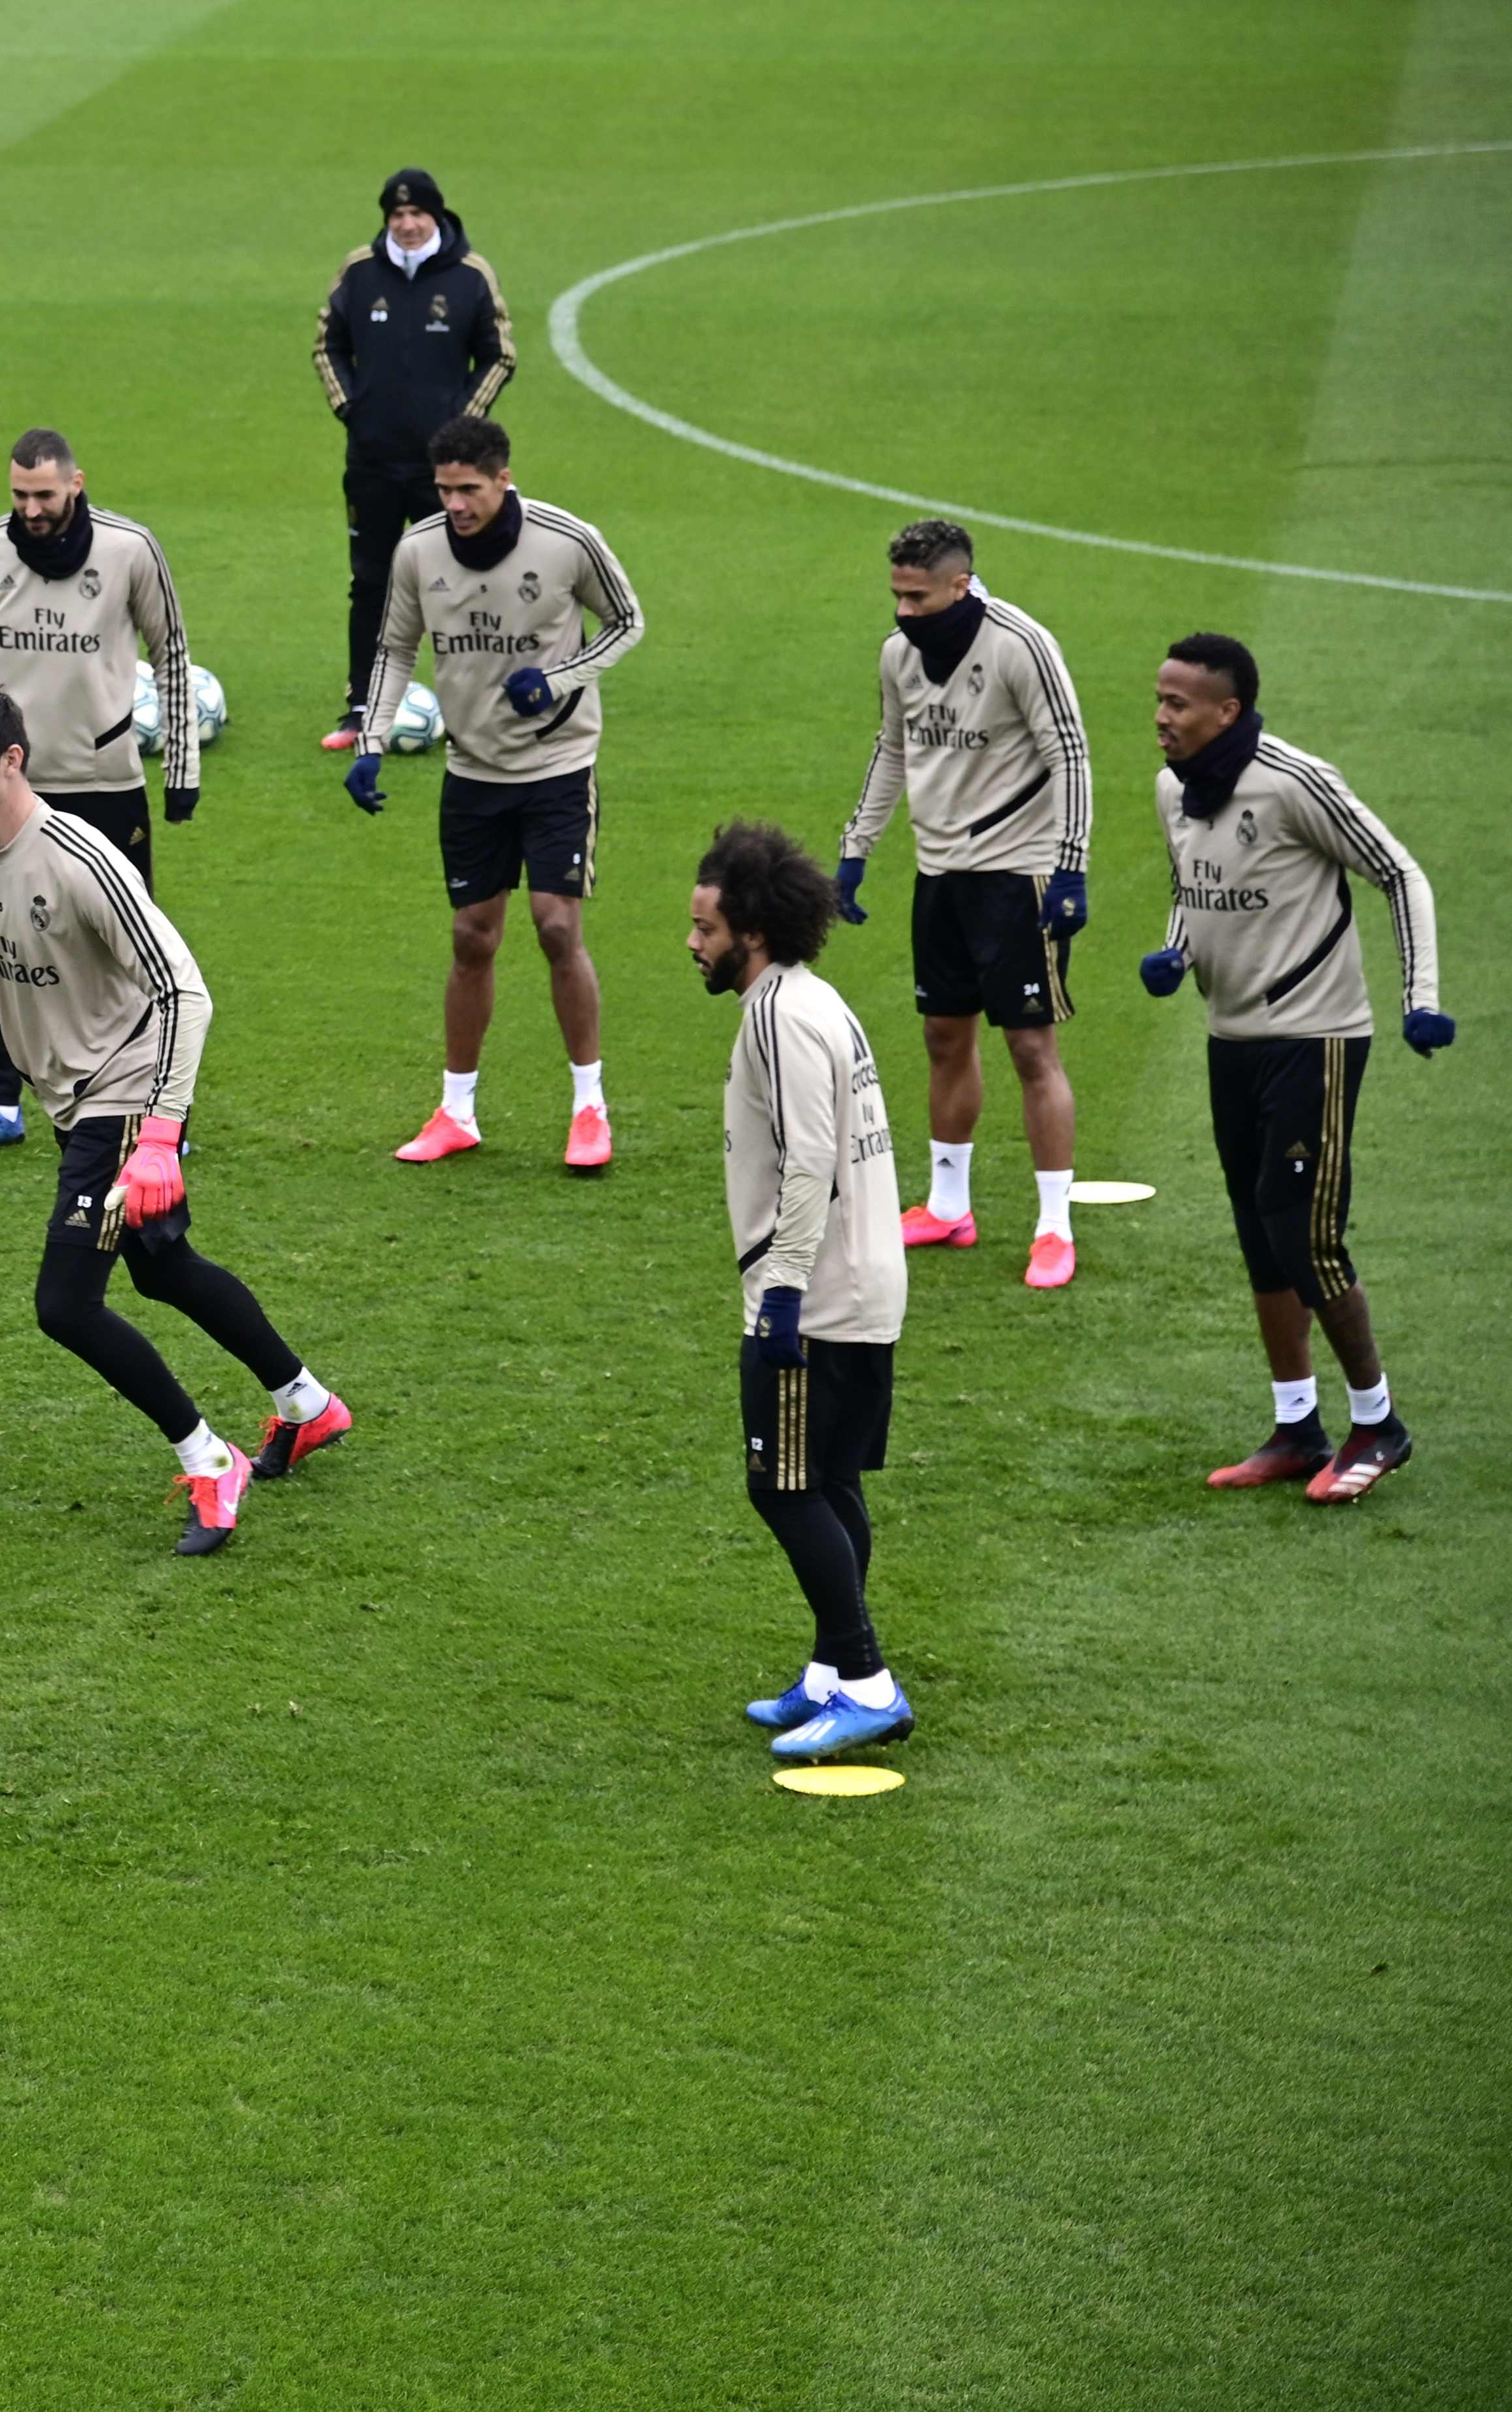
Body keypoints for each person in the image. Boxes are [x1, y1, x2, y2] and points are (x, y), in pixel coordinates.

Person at [0, 688, 348, 1554]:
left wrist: (159, 1136)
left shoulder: (78, 861)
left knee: (65, 1305)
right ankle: (306, 1404)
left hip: (125, 1098)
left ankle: (210, 1463)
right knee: (163, 1267)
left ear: (11, 761)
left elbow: (185, 991)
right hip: (74, 1100)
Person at [1140, 633, 1447, 1502]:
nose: (1159, 716)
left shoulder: (1291, 781)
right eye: (1157, 699)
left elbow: (1398, 873)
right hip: (1228, 1036)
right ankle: (1293, 1427)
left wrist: (1417, 998)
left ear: (1225, 712)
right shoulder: (1174, 786)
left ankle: (1376, 1422)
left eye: (1177, 704)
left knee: (1301, 1232)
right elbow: (1192, 880)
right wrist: (1172, 950)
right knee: (1255, 1232)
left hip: (1313, 1037)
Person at [350, 415, 644, 1169]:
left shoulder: (564, 541)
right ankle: (456, 1112)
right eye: (444, 489)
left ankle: (588, 1108)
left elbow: (625, 623)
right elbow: (393, 648)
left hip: (556, 767)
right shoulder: (419, 550)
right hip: (471, 772)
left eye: (469, 490)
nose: (455, 504)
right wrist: (372, 741)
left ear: (502, 478)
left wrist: (556, 680)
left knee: (554, 928)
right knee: (471, 937)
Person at [686, 820, 914, 1764]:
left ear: (752, 930)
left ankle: (865, 1682)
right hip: (864, 1281)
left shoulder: (774, 1017)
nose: (692, 943)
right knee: (827, 1478)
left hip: (811, 1297)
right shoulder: (815, 998)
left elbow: (807, 1161)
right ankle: (828, 1670)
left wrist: (776, 1293)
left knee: (780, 1489)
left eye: (704, 928)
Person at [833, 521, 1097, 1287]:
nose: (903, 611)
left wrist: (1070, 869)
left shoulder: (1019, 645)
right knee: (944, 1037)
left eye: (917, 596)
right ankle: (949, 1206)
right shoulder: (898, 655)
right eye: (895, 596)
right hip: (938, 872)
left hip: (1018, 875)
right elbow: (892, 748)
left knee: (1029, 1048)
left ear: (960, 584)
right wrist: (857, 850)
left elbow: (1069, 754)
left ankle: (1054, 1227)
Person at [0, 428, 200, 1160]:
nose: (31, 509)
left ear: (76, 483)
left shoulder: (128, 550)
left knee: (129, 951)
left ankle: (155, 1110)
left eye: (43, 495)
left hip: (105, 782)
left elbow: (170, 652)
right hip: (11, 787)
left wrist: (183, 769)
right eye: (18, 495)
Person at [315, 168, 514, 751]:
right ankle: (360, 708)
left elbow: (499, 356)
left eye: (415, 215)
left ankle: (479, 708)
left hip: (446, 474)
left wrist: (461, 429)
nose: (405, 225)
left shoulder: (470, 278)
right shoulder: (358, 272)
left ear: (435, 217)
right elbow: (326, 343)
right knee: (370, 583)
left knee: (465, 580)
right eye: (395, 216)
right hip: (373, 463)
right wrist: (351, 407)